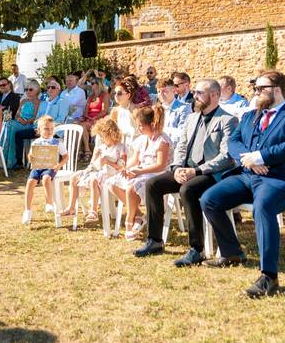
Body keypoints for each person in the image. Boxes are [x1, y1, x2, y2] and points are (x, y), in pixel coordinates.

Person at [200, 70, 285, 298]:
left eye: (261, 88)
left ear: (277, 90)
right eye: (256, 88)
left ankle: (269, 276)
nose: (256, 92)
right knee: (209, 199)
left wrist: (260, 157)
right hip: (247, 175)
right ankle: (232, 253)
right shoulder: (250, 115)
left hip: (280, 179)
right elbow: (234, 141)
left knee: (263, 208)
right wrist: (249, 160)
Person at [134, 79, 237, 263]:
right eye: (195, 92)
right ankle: (155, 240)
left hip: (211, 174)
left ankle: (196, 249)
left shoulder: (227, 120)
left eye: (199, 93)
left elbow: (226, 157)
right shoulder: (192, 118)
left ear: (214, 95)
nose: (194, 96)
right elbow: (181, 147)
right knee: (153, 184)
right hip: (186, 169)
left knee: (188, 189)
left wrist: (197, 171)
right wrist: (176, 168)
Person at [107, 105, 171, 240]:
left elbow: (160, 165)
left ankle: (129, 221)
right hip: (142, 171)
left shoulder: (162, 140)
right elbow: (135, 160)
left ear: (152, 124)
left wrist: (138, 171)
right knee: (113, 182)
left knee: (132, 186)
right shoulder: (142, 140)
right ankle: (139, 215)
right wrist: (126, 168)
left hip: (157, 174)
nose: (139, 129)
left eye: (141, 126)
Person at [62, 117, 126, 223]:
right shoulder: (102, 147)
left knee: (93, 180)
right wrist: (95, 157)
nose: (101, 139)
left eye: (103, 136)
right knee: (74, 177)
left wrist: (108, 162)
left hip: (112, 174)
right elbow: (93, 165)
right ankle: (71, 207)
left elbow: (121, 167)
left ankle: (94, 211)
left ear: (111, 134)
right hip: (98, 172)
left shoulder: (120, 148)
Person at [21, 116, 68, 225]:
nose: (49, 131)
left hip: (50, 166)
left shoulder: (57, 142)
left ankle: (49, 203)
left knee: (46, 179)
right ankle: (27, 210)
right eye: (46, 129)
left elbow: (65, 156)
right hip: (38, 167)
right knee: (30, 183)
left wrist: (59, 165)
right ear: (39, 130)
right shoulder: (36, 143)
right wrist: (31, 158)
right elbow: (30, 155)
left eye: (51, 129)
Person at [12, 78, 68, 167]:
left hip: (54, 130)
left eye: (53, 87)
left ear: (59, 90)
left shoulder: (62, 102)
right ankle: (19, 162)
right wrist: (38, 125)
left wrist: (47, 126)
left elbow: (60, 119)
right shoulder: (43, 103)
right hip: (40, 129)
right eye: (48, 87)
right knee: (18, 134)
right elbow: (37, 118)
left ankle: (45, 162)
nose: (50, 89)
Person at [3, 79, 40, 169]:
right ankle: (6, 158)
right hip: (19, 122)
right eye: (26, 89)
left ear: (36, 91)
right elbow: (16, 115)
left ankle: (12, 160)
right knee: (8, 123)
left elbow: (35, 118)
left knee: (12, 126)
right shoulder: (23, 101)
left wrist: (26, 121)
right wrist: (19, 119)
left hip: (29, 125)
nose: (28, 91)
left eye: (30, 89)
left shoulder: (37, 102)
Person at [78, 79, 111, 157]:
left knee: (83, 126)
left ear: (98, 84)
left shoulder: (105, 95)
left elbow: (104, 111)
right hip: (89, 119)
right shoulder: (91, 97)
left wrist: (95, 117)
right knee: (77, 125)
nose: (91, 85)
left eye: (92, 83)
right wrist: (86, 116)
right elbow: (86, 110)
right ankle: (80, 150)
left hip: (100, 119)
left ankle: (86, 150)